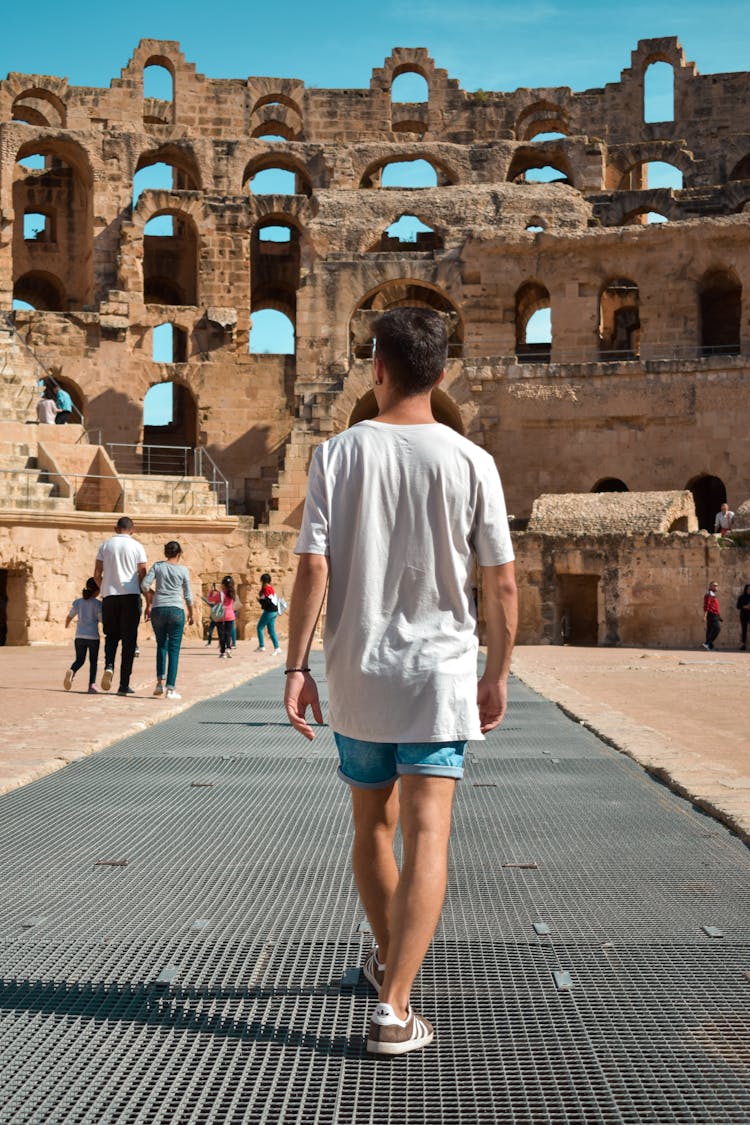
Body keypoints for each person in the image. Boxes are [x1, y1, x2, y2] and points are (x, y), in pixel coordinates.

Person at [284, 307, 517, 1056]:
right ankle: (394, 1003)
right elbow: (503, 584)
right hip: (440, 677)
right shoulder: (472, 460)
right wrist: (498, 672)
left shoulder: (334, 456)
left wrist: (294, 666)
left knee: (371, 828)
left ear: (376, 367)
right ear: (442, 373)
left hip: (358, 675)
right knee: (428, 834)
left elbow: (313, 566)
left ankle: (390, 965)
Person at [93, 516, 147, 695]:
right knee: (129, 640)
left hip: (110, 596)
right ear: (132, 530)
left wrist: (105, 587)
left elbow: (96, 574)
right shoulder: (137, 546)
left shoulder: (105, 545)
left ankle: (109, 666)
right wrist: (145, 595)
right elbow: (142, 573)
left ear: (116, 528)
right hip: (131, 595)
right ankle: (124, 684)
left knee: (111, 636)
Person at [141, 540, 194, 700]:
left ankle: (159, 682)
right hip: (176, 610)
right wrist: (192, 613)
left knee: (161, 645)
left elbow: (144, 584)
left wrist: (152, 596)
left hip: (158, 609)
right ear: (179, 554)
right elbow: (188, 595)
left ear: (166, 553)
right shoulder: (183, 570)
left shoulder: (158, 566)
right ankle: (170, 688)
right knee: (174, 649)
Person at [64, 577, 102, 693]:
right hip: (93, 637)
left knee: (80, 660)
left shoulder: (78, 602)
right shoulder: (97, 604)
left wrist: (67, 625)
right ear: (97, 591)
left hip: (79, 636)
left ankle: (72, 670)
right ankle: (92, 685)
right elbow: (101, 619)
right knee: (93, 662)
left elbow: (70, 616)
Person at [256, 572, 282, 655]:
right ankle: (277, 648)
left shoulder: (266, 588)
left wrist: (259, 600)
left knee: (259, 627)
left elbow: (267, 601)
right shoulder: (271, 588)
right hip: (274, 611)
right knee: (271, 631)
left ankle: (261, 646)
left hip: (269, 611)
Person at [216, 575, 236, 659]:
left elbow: (211, 599)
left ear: (223, 584)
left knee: (221, 634)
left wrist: (213, 593)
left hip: (221, 615)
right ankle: (229, 648)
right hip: (230, 615)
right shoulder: (232, 593)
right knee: (228, 634)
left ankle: (222, 652)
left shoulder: (221, 593)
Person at [702, 581, 722, 650]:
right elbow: (706, 605)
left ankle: (709, 646)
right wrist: (705, 616)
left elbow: (714, 606)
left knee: (710, 630)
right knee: (717, 628)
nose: (716, 587)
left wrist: (719, 616)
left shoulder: (713, 594)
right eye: (714, 585)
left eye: (717, 585)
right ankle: (707, 643)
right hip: (712, 615)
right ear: (710, 587)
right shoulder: (709, 594)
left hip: (714, 615)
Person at [736, 583, 750, 651]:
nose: (749, 590)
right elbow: (738, 606)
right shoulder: (741, 597)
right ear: (746, 589)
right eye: (748, 589)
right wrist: (745, 606)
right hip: (744, 615)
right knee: (744, 630)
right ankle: (743, 645)